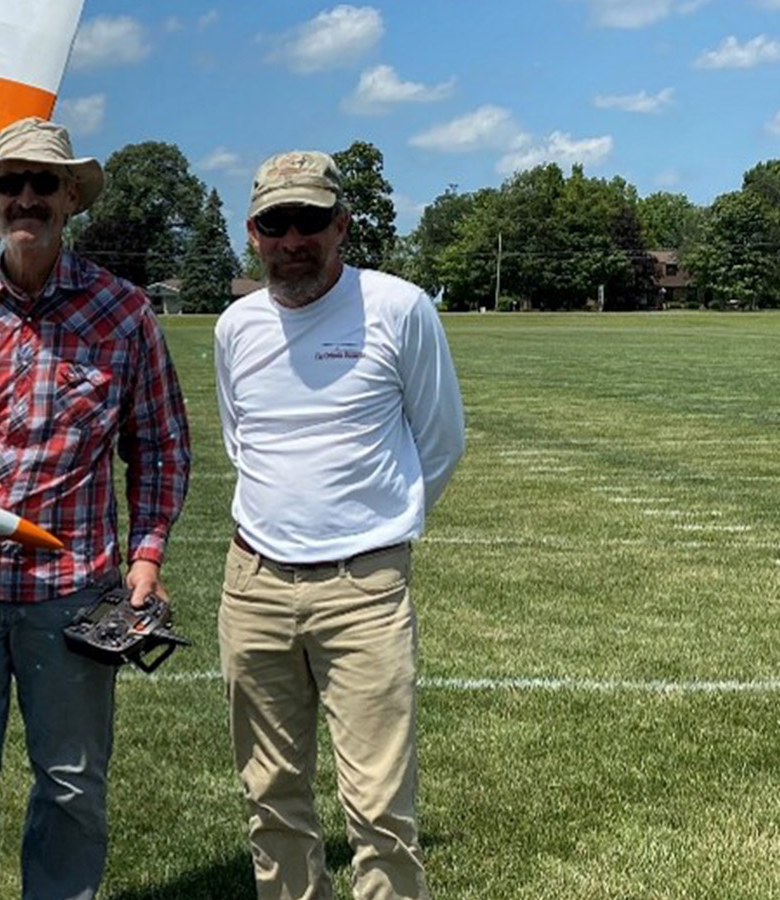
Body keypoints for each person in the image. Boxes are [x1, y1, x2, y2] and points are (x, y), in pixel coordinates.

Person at [0, 117, 192, 900]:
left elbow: (162, 446)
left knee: (71, 786)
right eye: (11, 184)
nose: (26, 198)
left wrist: (147, 556)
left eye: (43, 184)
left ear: (71, 198)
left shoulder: (123, 312)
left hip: (71, 594)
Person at [213, 150, 465, 900]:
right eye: (275, 223)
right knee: (272, 802)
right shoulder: (235, 328)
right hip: (251, 586)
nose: (294, 239)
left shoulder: (398, 307)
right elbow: (241, 441)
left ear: (342, 225)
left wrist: (377, 535)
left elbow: (440, 440)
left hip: (365, 589)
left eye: (311, 220)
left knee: (382, 813)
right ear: (252, 232)